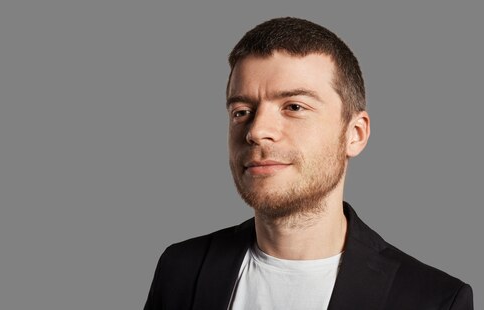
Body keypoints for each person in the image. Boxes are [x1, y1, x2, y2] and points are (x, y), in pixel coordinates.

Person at [143, 17, 473, 309]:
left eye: (294, 107)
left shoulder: (432, 300)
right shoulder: (180, 270)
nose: (257, 132)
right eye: (241, 112)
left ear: (355, 134)